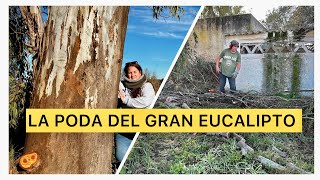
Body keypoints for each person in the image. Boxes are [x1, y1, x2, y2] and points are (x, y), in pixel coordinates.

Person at [116, 61, 155, 162]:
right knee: (121, 157)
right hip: (125, 130)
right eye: (130, 72)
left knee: (143, 157)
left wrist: (126, 101)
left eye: (135, 72)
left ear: (140, 72)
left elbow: (146, 101)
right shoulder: (121, 85)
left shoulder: (147, 86)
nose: (132, 75)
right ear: (126, 74)